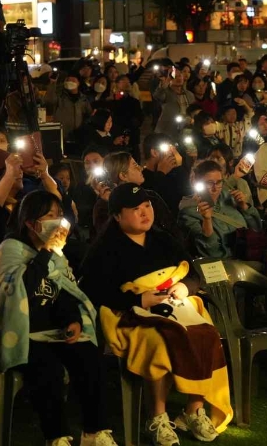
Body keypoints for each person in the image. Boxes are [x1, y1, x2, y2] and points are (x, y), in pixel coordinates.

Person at [80, 185, 233, 445]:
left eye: (147, 206)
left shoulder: (163, 239)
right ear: (117, 216)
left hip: (175, 306)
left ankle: (194, 409)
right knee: (160, 342)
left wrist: (184, 287)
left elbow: (193, 273)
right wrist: (138, 299)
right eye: (135, 209)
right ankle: (157, 417)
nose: (144, 213)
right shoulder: (105, 248)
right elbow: (92, 290)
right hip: (131, 317)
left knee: (206, 332)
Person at [0, 191, 117, 446]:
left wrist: (72, 320)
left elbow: (62, 290)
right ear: (30, 223)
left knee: (89, 357)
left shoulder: (57, 253)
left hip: (54, 331)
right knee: (48, 370)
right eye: (49, 216)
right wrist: (45, 253)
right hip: (24, 333)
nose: (57, 222)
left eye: (58, 215)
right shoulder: (11, 250)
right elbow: (19, 291)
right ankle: (56, 436)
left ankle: (94, 431)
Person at [178, 160, 261, 260]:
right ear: (197, 183)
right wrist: (207, 220)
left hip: (253, 254)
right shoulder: (188, 213)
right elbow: (211, 253)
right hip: (228, 264)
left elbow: (257, 228)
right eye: (209, 183)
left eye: (218, 182)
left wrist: (244, 206)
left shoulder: (228, 197)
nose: (215, 188)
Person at [141, 133, 190, 218]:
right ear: (154, 152)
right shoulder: (141, 178)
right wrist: (161, 174)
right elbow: (153, 201)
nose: (173, 153)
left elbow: (188, 193)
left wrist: (179, 168)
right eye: (169, 149)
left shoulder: (174, 173)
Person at [43, 74, 93, 152]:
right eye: (68, 80)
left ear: (78, 83)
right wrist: (52, 84)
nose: (70, 82)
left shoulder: (83, 99)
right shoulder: (60, 97)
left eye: (73, 80)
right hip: (61, 135)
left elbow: (89, 114)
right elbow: (49, 101)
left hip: (78, 136)